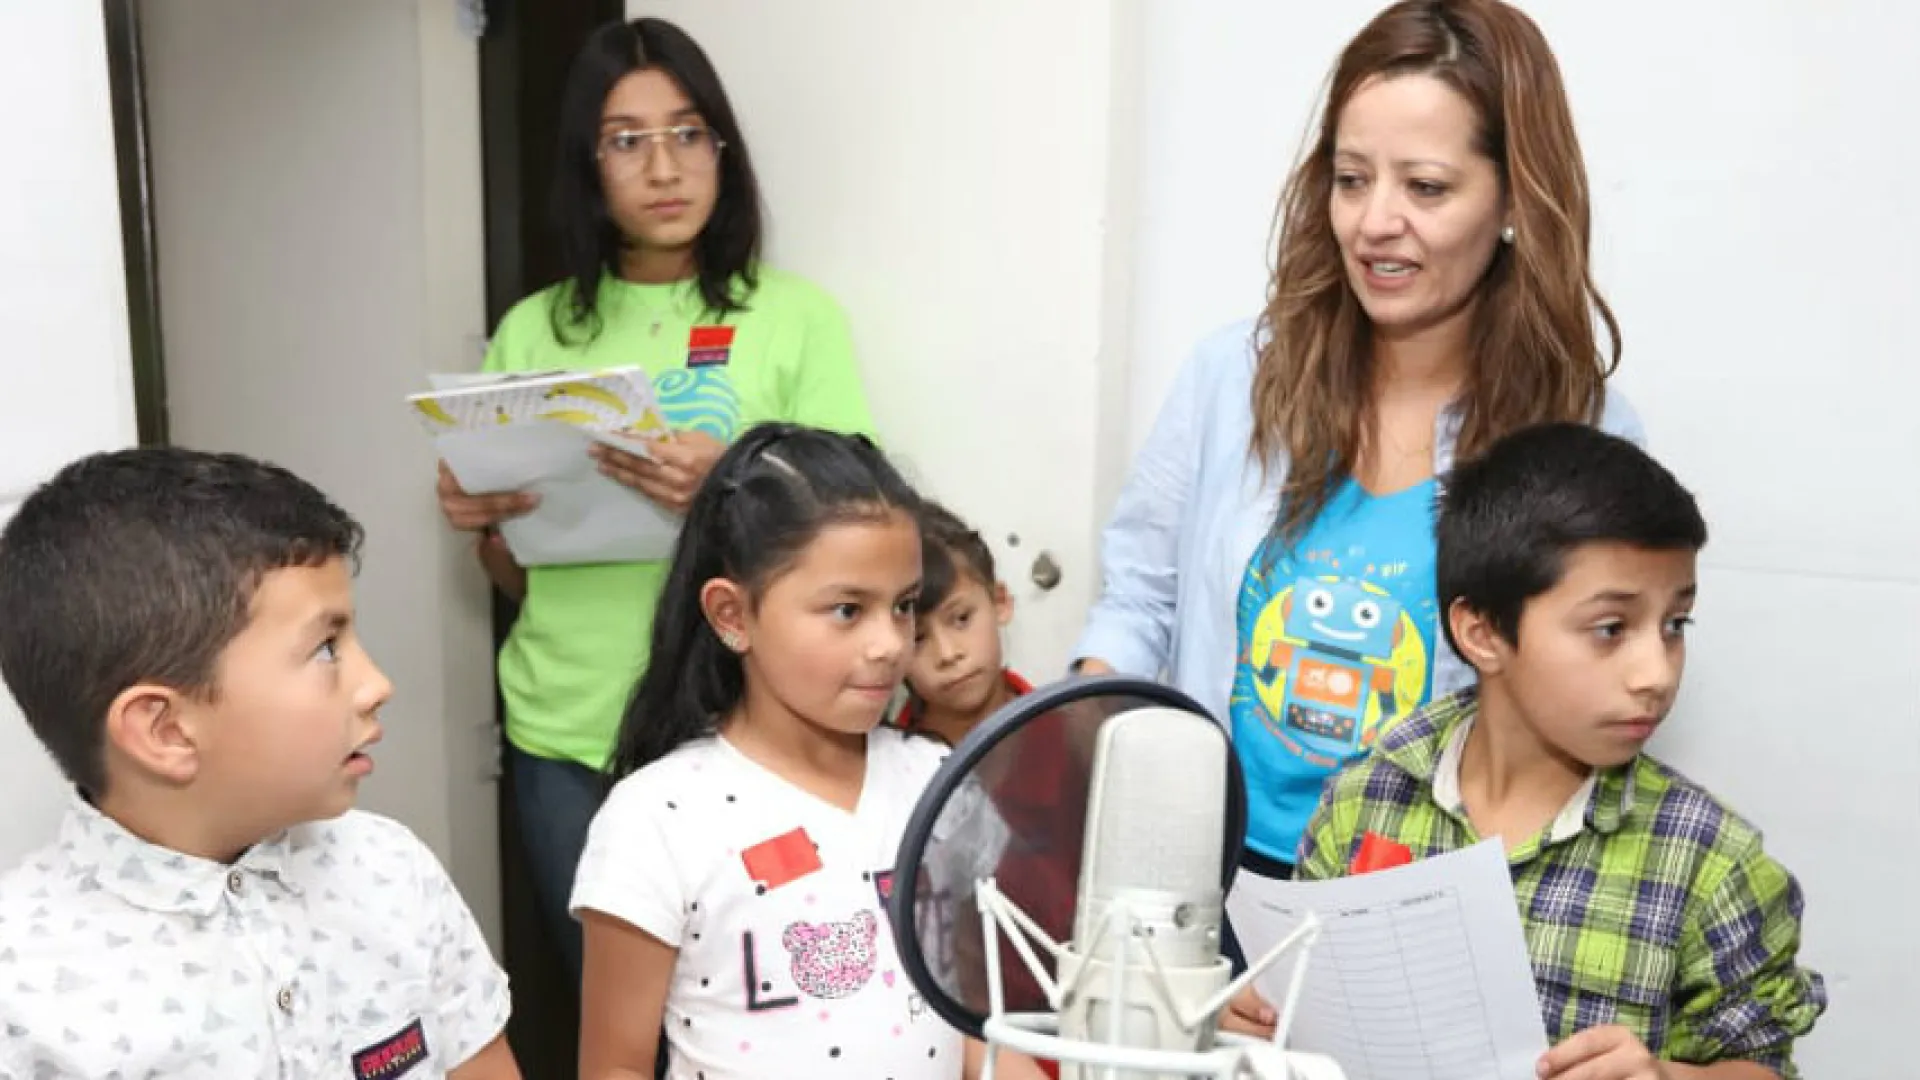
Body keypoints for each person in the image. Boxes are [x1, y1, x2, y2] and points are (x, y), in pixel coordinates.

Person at [1072, 0, 1645, 928]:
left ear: (1511, 201)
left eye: (1425, 187)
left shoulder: (1579, 432)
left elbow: (1584, 692)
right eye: (1350, 178)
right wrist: (1069, 771)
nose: (1375, 222)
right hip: (1195, 874)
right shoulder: (1235, 375)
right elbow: (1141, 598)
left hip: (1418, 900)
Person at [434, 16, 875, 982]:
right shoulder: (532, 327)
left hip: (735, 720)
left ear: (723, 149)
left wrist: (731, 485)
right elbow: (515, 575)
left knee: (748, 997)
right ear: (588, 166)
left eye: (687, 133)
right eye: (627, 141)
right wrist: (487, 516)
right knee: (611, 1003)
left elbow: (858, 533)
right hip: (563, 723)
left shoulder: (791, 316)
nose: (664, 166)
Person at [1237, 423, 1828, 1077]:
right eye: (1610, 629)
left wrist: (1668, 1076)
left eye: (1674, 624)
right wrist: (1260, 1019)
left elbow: (1760, 1063)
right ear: (1482, 633)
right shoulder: (1363, 800)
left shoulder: (1711, 862)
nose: (1656, 672)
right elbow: (1300, 1008)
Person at [0, 448, 518, 1079]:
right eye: (327, 648)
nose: (376, 683)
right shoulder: (23, 989)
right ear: (166, 730)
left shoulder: (391, 873)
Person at [569, 425, 1043, 1080]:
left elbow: (972, 1027)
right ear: (733, 616)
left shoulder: (939, 779)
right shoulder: (659, 817)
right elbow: (614, 1068)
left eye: (903, 606)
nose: (889, 645)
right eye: (848, 610)